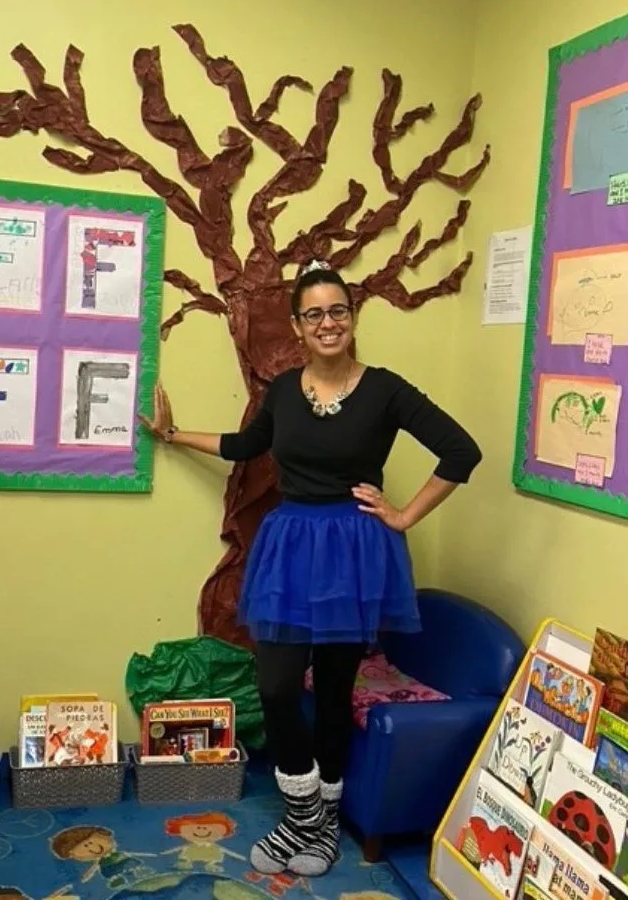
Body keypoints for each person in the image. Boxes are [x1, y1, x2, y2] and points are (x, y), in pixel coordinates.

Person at [139, 259, 482, 878]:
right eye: (314, 313)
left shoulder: (385, 389)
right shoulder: (281, 391)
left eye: (338, 310)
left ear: (352, 318)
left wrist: (403, 515)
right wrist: (172, 436)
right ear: (297, 326)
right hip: (292, 548)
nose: (328, 323)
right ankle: (305, 816)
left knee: (330, 693)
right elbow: (245, 448)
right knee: (275, 685)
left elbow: (463, 452)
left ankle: (320, 825)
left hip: (352, 552)